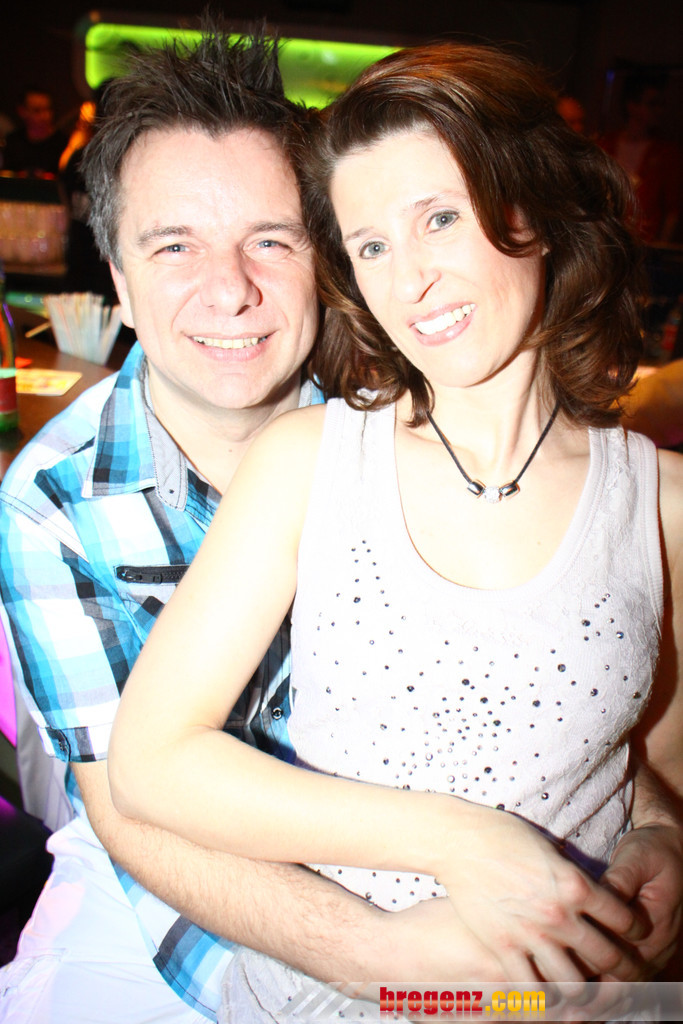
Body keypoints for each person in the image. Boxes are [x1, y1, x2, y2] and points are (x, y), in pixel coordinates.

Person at [108, 41, 683, 1018]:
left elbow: (656, 761)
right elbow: (151, 760)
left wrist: (662, 842)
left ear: (532, 211)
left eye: (438, 219)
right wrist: (457, 841)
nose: (408, 278)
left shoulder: (661, 506)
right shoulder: (309, 462)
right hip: (340, 997)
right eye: (370, 245)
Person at [0, 28, 456, 1024]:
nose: (230, 290)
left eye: (270, 240)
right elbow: (133, 815)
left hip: (414, 855)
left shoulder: (418, 429)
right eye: (174, 246)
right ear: (118, 281)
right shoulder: (53, 499)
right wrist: (365, 970)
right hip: (156, 878)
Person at [598, 72, 681, 245]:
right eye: (652, 104)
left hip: (644, 245)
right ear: (632, 106)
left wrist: (660, 247)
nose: (658, 111)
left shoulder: (666, 153)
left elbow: (673, 209)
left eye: (661, 104)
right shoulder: (605, 145)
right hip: (605, 241)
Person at [2, 87, 68, 177]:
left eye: (47, 109)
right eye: (37, 110)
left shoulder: (63, 143)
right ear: (22, 111)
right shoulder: (12, 142)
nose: (44, 116)